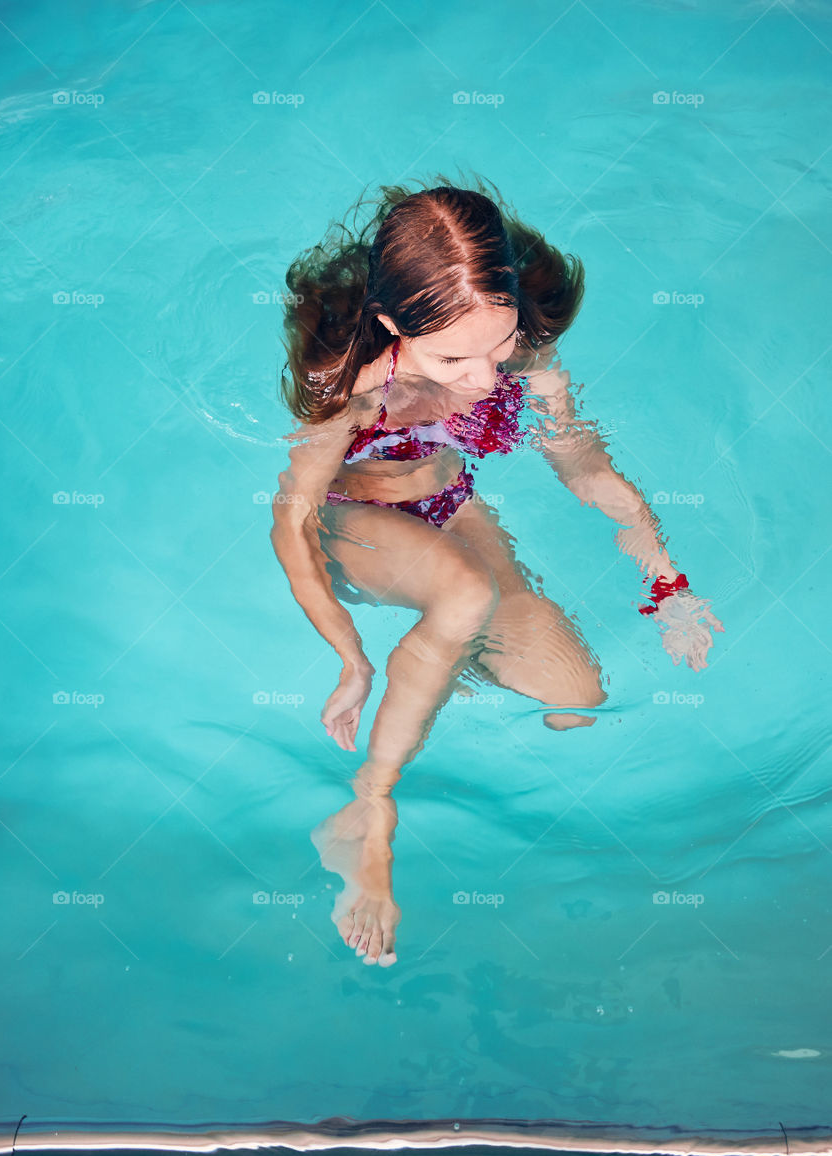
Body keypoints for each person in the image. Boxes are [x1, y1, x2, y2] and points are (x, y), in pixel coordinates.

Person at [271, 175, 724, 969]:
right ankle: (366, 809)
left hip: (452, 510)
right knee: (463, 592)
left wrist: (666, 580)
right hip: (355, 525)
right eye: (453, 356)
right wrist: (350, 656)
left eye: (499, 344)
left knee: (576, 699)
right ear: (392, 326)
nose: (484, 377)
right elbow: (292, 520)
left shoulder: (524, 350)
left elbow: (583, 465)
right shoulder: (351, 388)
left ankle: (446, 656)